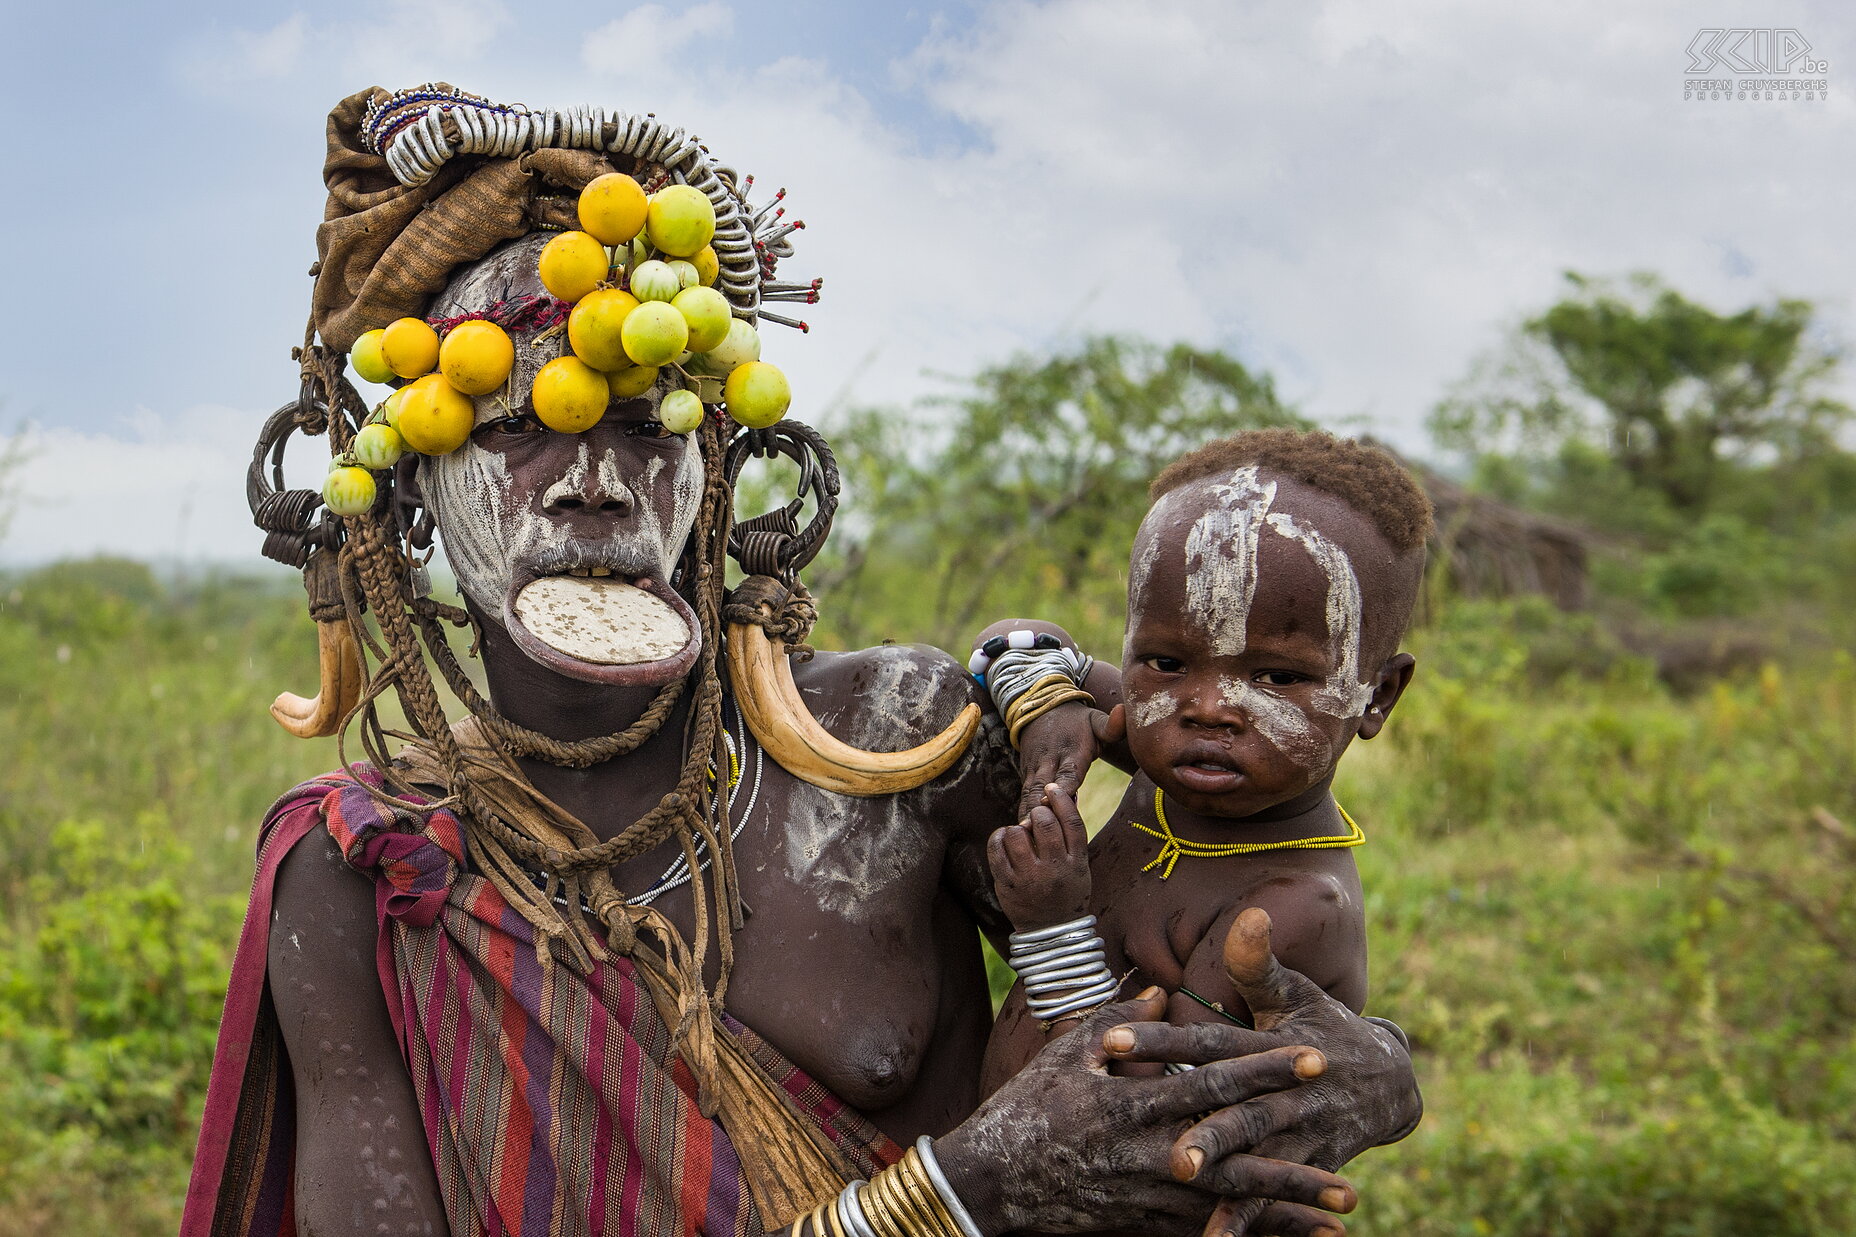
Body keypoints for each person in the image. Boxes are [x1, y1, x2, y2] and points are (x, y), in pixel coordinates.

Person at [182, 85, 1422, 1237]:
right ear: (406, 491)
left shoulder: (899, 742)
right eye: (512, 433)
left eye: (646, 427)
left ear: (717, 475)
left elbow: (1159, 1002)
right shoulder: (361, 872)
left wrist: (1376, 1066)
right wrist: (963, 1189)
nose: (595, 485)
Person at [977, 431, 1431, 1111]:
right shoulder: (1168, 755)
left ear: (1378, 693)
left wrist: (1052, 926)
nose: (1208, 707)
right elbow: (1017, 640)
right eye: (1166, 660)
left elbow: (1143, 1118)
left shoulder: (1292, 907)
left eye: (1277, 676)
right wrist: (1049, 702)